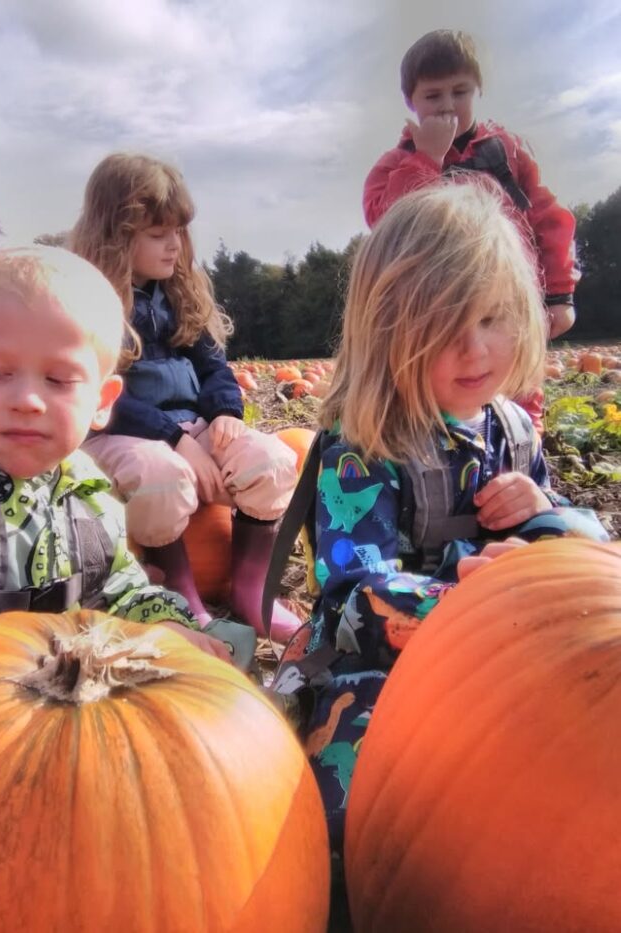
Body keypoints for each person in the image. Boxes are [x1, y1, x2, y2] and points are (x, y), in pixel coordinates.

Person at [275, 182, 607, 859]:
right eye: (442, 328)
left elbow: (582, 570)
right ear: (387, 331)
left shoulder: (513, 430)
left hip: (507, 658)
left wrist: (547, 514)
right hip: (381, 666)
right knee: (355, 824)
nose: (475, 350)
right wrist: (468, 603)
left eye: (491, 319)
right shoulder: (365, 447)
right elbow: (351, 598)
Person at [0, 245, 230, 663]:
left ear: (103, 401)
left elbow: (123, 589)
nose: (27, 400)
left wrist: (166, 625)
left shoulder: (93, 495)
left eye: (59, 379)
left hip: (62, 708)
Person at [70, 152, 301, 642]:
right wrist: (175, 438)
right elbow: (97, 397)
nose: (175, 245)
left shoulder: (178, 296)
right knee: (161, 476)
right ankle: (178, 591)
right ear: (115, 235)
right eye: (158, 234)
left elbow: (214, 367)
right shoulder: (90, 306)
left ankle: (249, 587)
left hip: (190, 430)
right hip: (121, 433)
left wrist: (223, 414)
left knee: (273, 459)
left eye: (179, 231)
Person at [362, 29, 578, 432]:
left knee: (517, 379)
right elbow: (387, 224)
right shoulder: (397, 164)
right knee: (443, 390)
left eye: (459, 92)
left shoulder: (508, 152)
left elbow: (549, 219)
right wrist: (426, 158)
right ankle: (449, 459)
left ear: (479, 90)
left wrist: (559, 293)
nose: (448, 106)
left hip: (506, 298)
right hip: (435, 311)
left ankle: (522, 452)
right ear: (411, 102)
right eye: (433, 96)